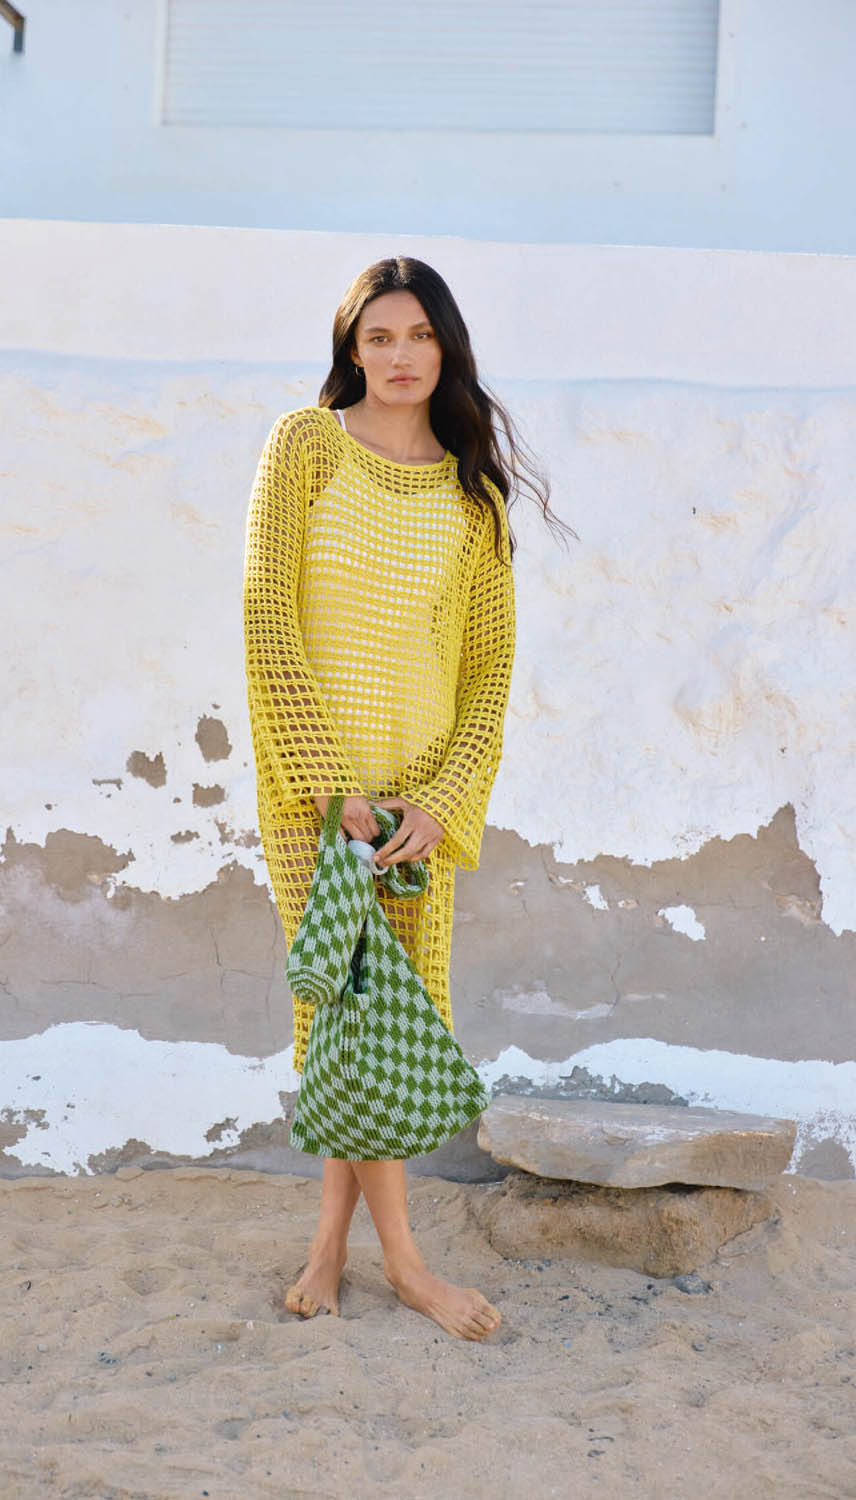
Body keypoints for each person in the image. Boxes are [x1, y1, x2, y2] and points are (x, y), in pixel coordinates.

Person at [242, 256, 570, 1342]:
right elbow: (266, 613)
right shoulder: (305, 445)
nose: (399, 355)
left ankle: (330, 1249)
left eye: (419, 335)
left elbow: (487, 669)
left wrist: (441, 798)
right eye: (377, 337)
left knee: (383, 1021)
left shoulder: (473, 494)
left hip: (415, 808)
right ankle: (409, 1265)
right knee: (344, 1016)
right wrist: (326, 783)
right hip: (316, 800)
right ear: (352, 349)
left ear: (446, 347)